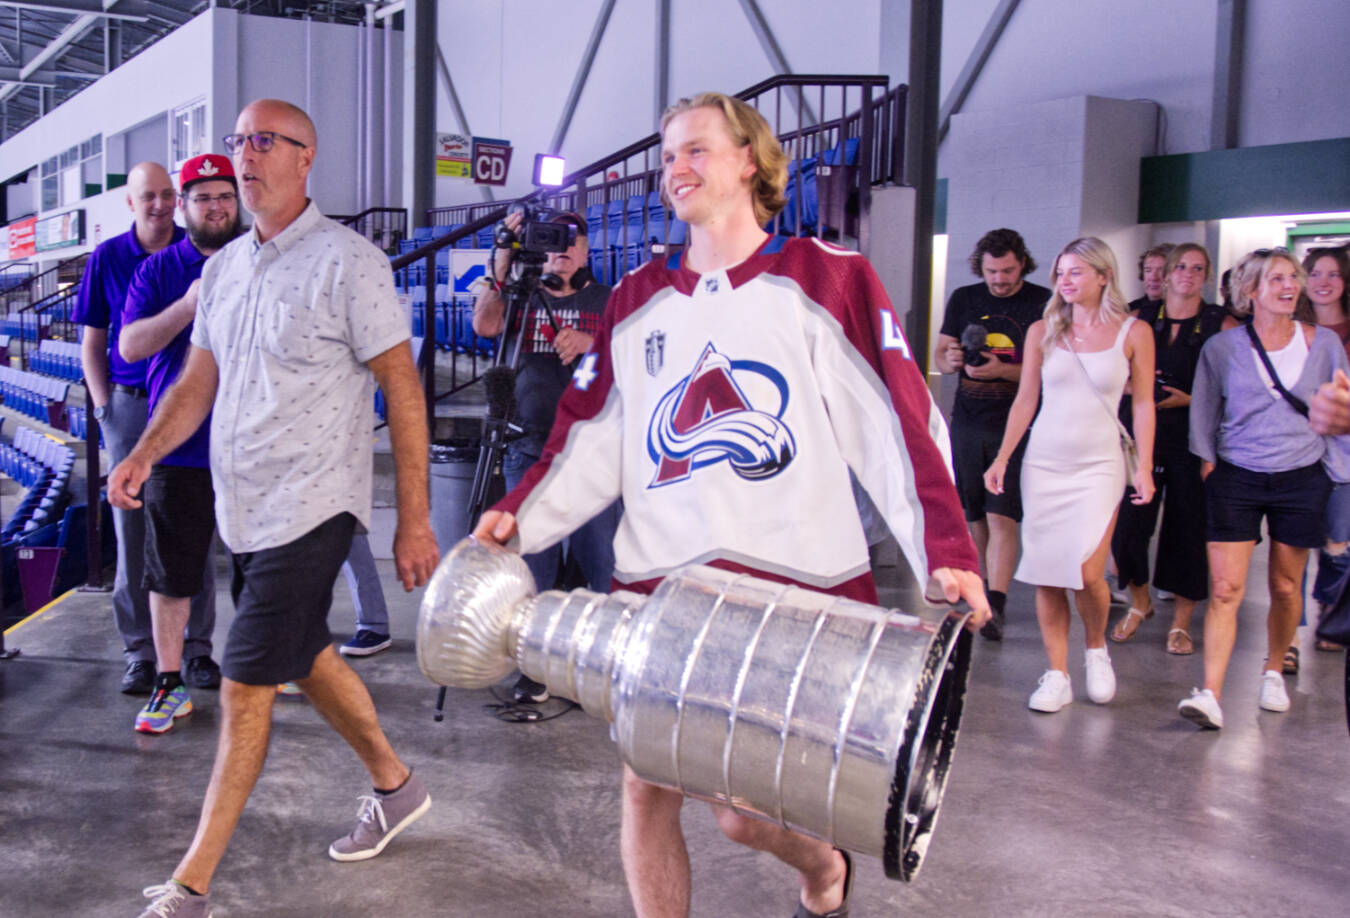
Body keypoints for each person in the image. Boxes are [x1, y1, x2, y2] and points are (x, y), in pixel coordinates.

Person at [474, 91, 987, 918]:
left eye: (696, 150)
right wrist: (521, 515)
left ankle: (823, 875)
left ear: (750, 159)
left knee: (746, 816)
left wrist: (947, 553)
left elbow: (895, 422)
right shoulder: (636, 296)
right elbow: (588, 432)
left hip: (790, 590)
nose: (676, 168)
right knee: (645, 788)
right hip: (660, 587)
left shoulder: (828, 276)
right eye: (668, 155)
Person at [110, 99, 440, 918]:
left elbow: (402, 388)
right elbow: (196, 382)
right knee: (305, 656)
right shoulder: (219, 270)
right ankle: (395, 787)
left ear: (306, 156)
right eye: (237, 141)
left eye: (263, 141)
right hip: (245, 507)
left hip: (316, 503)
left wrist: (416, 516)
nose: (245, 155)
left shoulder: (349, 262)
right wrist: (145, 453)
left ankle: (190, 884)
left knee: (245, 681)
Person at [1179, 247, 1350, 730]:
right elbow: (1205, 411)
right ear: (1251, 290)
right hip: (1237, 475)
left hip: (1302, 476)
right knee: (1227, 587)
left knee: (1285, 584)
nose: (1289, 286)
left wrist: (1336, 472)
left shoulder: (1324, 344)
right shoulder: (1222, 348)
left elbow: (1342, 412)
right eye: (1276, 279)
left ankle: (1274, 668)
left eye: (1291, 278)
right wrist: (1210, 464)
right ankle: (1210, 692)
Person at [985, 236, 1155, 713]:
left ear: (1104, 276)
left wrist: (1143, 467)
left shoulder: (1133, 332)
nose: (1065, 281)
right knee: (1047, 574)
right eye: (1061, 273)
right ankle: (1057, 672)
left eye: (1076, 272)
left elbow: (1143, 404)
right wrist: (1002, 458)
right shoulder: (1043, 330)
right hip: (1044, 463)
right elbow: (1026, 400)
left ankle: (1095, 649)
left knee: (1085, 570)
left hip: (1099, 465)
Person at [74, 161, 219, 696]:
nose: (159, 205)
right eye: (147, 197)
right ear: (130, 204)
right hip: (131, 405)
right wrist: (105, 408)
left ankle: (196, 650)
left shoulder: (201, 245)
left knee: (190, 527)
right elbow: (96, 339)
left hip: (190, 407)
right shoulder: (109, 257)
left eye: (166, 195)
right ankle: (141, 652)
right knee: (132, 537)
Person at [472, 209, 620, 703]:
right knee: (531, 565)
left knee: (600, 560)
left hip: (592, 452)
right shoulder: (520, 294)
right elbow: (485, 325)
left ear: (586, 250)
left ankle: (596, 666)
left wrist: (592, 345)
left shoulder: (609, 301)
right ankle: (534, 668)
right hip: (528, 446)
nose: (559, 252)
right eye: (550, 243)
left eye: (569, 243)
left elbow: (638, 361)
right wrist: (503, 258)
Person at [117, 154, 242, 733]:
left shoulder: (260, 260)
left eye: (224, 196)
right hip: (180, 448)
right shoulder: (160, 269)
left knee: (261, 565)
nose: (215, 206)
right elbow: (131, 347)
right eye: (202, 198)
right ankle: (170, 684)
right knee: (171, 574)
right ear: (184, 208)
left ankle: (265, 666)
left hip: (252, 445)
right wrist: (189, 305)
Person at [1109, 244, 1231, 654]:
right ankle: (1140, 603)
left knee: (1187, 532)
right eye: (1181, 266)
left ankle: (1181, 622)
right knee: (1127, 530)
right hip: (1138, 438)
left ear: (1207, 275)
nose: (1187, 274)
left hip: (1193, 441)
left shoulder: (1220, 323)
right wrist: (1135, 387)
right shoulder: (1137, 317)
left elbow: (1238, 389)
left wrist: (1191, 399)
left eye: (1198, 268)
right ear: (1165, 273)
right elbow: (1106, 372)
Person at [934, 228, 1050, 640]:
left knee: (1003, 513)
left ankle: (997, 602)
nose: (999, 279)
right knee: (975, 513)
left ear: (1023, 264)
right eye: (991, 271)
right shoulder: (965, 298)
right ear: (979, 267)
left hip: (1016, 424)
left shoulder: (1042, 303)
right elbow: (943, 355)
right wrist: (948, 358)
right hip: (967, 419)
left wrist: (1003, 371)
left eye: (1007, 271)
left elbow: (1049, 371)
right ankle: (981, 589)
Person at [1303, 247, 1350, 653]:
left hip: (1345, 457)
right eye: (1315, 273)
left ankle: (1330, 609)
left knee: (1338, 542)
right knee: (1295, 543)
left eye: (1333, 275)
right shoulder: (1289, 328)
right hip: (1297, 453)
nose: (1323, 281)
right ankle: (1287, 637)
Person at [1127, 243, 1175, 313]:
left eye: (1161, 270)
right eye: (1148, 270)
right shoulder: (1128, 310)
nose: (1153, 278)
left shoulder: (1185, 312)